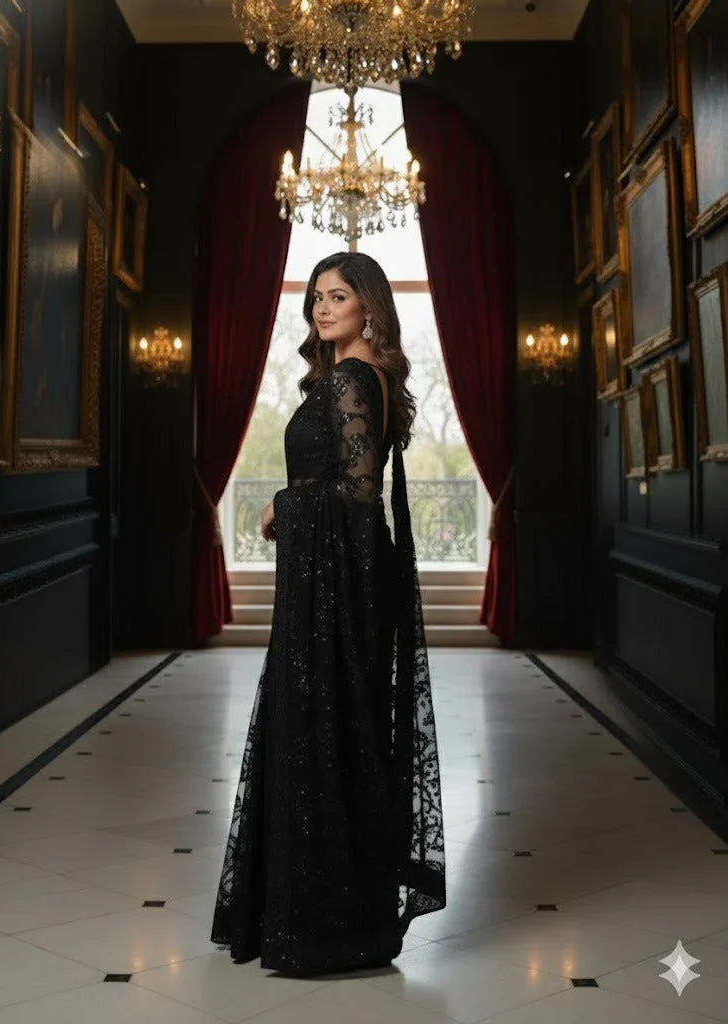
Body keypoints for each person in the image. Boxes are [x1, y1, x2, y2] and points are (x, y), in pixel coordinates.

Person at [210, 251, 446, 976]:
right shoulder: (354, 376)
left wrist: (285, 504)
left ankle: (324, 924)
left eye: (337, 296)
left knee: (323, 727)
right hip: (336, 582)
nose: (320, 307)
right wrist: (296, 509)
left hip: (336, 592)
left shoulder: (350, 378)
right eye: (315, 296)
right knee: (333, 729)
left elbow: (354, 494)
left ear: (367, 305)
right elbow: (347, 492)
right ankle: (326, 910)